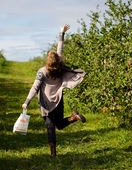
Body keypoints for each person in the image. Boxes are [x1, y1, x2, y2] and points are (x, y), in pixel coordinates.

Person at [22, 24, 87, 157]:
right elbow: (60, 49)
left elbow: (35, 88)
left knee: (51, 127)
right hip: (58, 101)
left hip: (46, 105)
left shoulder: (42, 72)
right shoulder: (61, 67)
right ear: (57, 61)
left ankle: (53, 154)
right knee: (59, 125)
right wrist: (62, 34)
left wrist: (26, 102)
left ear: (47, 61)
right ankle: (74, 117)